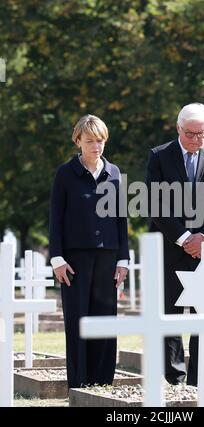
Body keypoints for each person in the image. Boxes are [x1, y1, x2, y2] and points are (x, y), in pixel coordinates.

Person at [146, 103, 204, 386]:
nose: (196, 139)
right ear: (178, 128)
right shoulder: (159, 156)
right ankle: (174, 379)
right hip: (172, 249)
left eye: (202, 134)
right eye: (191, 134)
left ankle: (199, 380)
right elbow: (154, 202)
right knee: (170, 315)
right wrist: (184, 238)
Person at [49, 114, 129, 389]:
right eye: (90, 141)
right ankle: (79, 386)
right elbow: (55, 218)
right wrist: (57, 258)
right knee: (78, 322)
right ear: (78, 141)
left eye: (101, 141)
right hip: (74, 262)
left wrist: (124, 260)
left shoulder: (115, 173)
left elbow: (121, 219)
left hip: (108, 257)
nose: (96, 146)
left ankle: (102, 385)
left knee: (106, 320)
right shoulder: (65, 173)